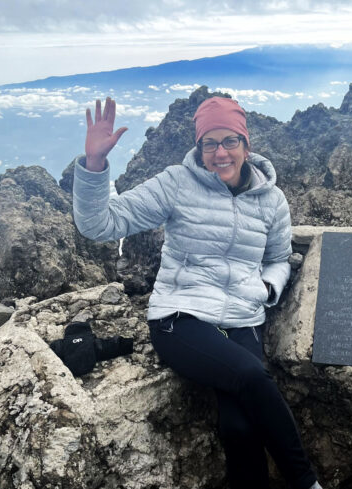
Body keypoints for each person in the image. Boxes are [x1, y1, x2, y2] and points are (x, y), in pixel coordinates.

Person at [72, 96, 323, 489]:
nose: (220, 152)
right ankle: (306, 481)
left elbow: (278, 258)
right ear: (199, 147)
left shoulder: (272, 200)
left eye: (229, 141)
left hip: (242, 318)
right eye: (210, 143)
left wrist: (265, 288)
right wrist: (94, 165)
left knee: (240, 426)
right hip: (181, 317)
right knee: (251, 375)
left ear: (246, 144)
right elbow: (101, 223)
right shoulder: (177, 183)